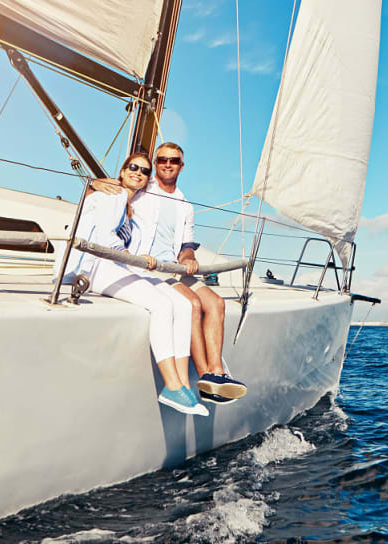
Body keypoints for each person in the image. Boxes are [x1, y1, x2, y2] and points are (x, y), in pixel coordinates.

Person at [92, 143, 247, 405]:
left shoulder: (185, 205)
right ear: (156, 162)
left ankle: (217, 374)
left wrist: (189, 259)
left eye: (173, 161)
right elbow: (117, 187)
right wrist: (94, 183)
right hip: (151, 268)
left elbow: (187, 246)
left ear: (181, 166)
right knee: (193, 304)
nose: (167, 164)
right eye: (162, 159)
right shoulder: (143, 190)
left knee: (217, 304)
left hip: (176, 268)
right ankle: (205, 375)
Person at [58, 152, 207, 416]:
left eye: (144, 171)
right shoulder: (111, 196)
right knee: (161, 305)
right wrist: (93, 184)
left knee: (182, 305)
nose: (138, 172)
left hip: (117, 265)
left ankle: (183, 383)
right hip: (98, 267)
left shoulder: (131, 205)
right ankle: (172, 386)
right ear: (123, 170)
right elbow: (104, 237)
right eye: (133, 167)